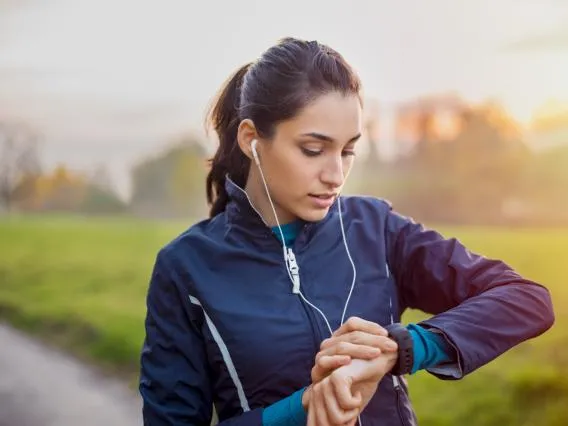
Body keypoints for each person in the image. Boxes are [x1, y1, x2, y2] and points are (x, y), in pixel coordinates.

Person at [138, 37, 555, 426]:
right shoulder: (186, 268)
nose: (336, 174)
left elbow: (526, 300)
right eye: (313, 150)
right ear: (251, 139)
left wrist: (401, 348)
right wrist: (299, 409)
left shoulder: (376, 229)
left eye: (349, 149)